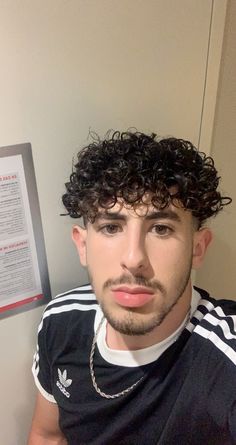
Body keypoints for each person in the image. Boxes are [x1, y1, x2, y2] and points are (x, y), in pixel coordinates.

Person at [28, 130, 235, 445]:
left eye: (161, 228)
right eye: (111, 227)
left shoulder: (224, 356)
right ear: (82, 246)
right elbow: (48, 435)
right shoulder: (61, 320)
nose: (134, 258)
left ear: (198, 248)